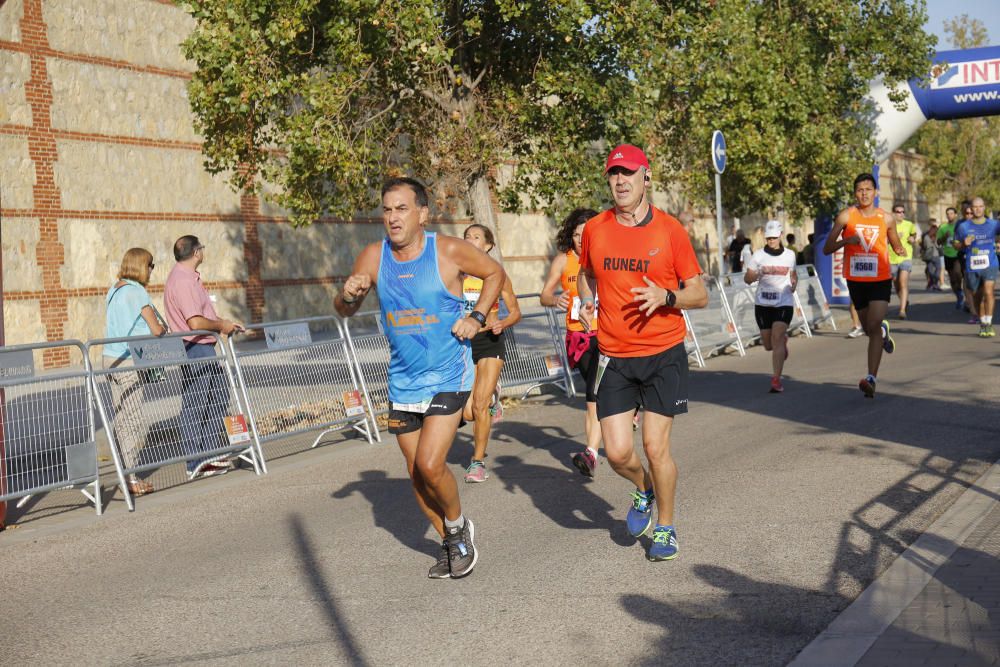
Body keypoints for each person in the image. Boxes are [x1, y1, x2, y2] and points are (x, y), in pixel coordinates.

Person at [334, 176, 504, 579]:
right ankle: (449, 542)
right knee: (416, 474)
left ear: (423, 213)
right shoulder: (374, 257)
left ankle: (459, 529)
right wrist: (349, 294)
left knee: (430, 464)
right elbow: (344, 310)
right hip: (402, 379)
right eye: (387, 209)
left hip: (448, 373)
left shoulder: (446, 249)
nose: (393, 217)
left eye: (402, 208)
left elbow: (495, 274)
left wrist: (476, 316)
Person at [577, 144, 709, 562]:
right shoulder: (596, 228)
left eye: (628, 173)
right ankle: (644, 490)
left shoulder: (669, 230)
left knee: (655, 447)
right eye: (614, 174)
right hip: (613, 355)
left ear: (646, 177)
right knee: (616, 452)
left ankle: (666, 528)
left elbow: (699, 294)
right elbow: (585, 275)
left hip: (662, 353)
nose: (620, 181)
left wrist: (667, 296)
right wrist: (585, 300)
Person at [164, 235, 244, 479]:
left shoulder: (188, 278)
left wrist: (224, 325)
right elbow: (195, 321)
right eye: (203, 248)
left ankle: (210, 454)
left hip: (204, 345)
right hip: (195, 346)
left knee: (218, 396)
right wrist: (221, 324)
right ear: (197, 252)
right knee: (196, 404)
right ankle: (195, 461)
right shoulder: (183, 281)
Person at [822, 174, 905, 398]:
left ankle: (871, 378)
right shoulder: (846, 216)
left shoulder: (886, 218)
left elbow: (895, 241)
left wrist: (899, 249)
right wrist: (845, 241)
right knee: (870, 329)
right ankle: (884, 334)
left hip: (880, 278)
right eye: (860, 190)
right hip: (856, 280)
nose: (864, 193)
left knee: (875, 322)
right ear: (855, 193)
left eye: (868, 189)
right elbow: (827, 248)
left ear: (875, 192)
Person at [540, 208, 603, 477]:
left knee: (593, 397)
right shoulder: (563, 261)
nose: (581, 239)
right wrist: (555, 299)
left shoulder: (604, 257)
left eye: (586, 234)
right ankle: (625, 411)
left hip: (606, 335)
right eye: (576, 235)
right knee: (596, 395)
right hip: (578, 336)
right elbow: (544, 295)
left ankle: (591, 453)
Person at [459, 224, 521, 483]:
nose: (469, 240)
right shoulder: (457, 274)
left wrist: (502, 323)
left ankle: (477, 462)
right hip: (463, 342)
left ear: (487, 246)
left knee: (479, 404)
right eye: (466, 237)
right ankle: (494, 396)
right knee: (467, 413)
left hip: (490, 340)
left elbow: (516, 312)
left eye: (475, 237)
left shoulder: (497, 275)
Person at [104, 248, 167, 496]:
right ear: (142, 266)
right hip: (129, 361)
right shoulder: (138, 291)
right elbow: (155, 329)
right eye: (151, 265)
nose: (152, 270)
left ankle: (123, 471)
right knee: (133, 420)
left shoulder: (114, 288)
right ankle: (129, 478)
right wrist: (162, 329)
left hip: (109, 358)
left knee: (120, 418)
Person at [744, 221, 797, 393]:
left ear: (780, 236)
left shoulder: (790, 255)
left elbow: (793, 274)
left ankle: (776, 379)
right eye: (768, 238)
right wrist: (751, 276)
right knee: (768, 344)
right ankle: (782, 344)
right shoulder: (758, 255)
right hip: (763, 304)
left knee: (777, 335)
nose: (771, 241)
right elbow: (747, 279)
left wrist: (794, 283)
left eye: (774, 238)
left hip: (784, 302)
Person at [954, 197, 1000, 337]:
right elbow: (955, 244)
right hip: (972, 266)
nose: (978, 209)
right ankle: (982, 323)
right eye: (975, 207)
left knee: (989, 292)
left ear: (984, 207)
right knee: (977, 296)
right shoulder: (963, 227)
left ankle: (989, 323)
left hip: (990, 263)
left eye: (980, 206)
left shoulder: (993, 224)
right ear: (971, 209)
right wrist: (963, 244)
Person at [888, 203, 917, 319]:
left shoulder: (909, 224)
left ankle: (902, 310)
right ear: (893, 213)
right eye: (898, 212)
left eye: (902, 212)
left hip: (906, 257)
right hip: (892, 258)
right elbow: (884, 240)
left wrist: (912, 239)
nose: (901, 214)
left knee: (903, 282)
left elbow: (914, 235)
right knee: (896, 284)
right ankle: (905, 301)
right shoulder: (889, 225)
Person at [938, 206, 964, 308]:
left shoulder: (960, 226)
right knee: (952, 279)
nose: (949, 215)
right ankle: (959, 295)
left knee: (958, 273)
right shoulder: (943, 227)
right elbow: (938, 242)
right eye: (948, 214)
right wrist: (945, 236)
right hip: (947, 255)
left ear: (956, 215)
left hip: (958, 254)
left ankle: (961, 291)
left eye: (951, 213)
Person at [920, 219, 941, 290]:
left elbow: (923, 245)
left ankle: (931, 284)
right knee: (938, 268)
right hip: (935, 254)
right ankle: (935, 283)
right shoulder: (937, 233)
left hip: (927, 255)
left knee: (930, 270)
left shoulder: (925, 234)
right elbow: (938, 244)